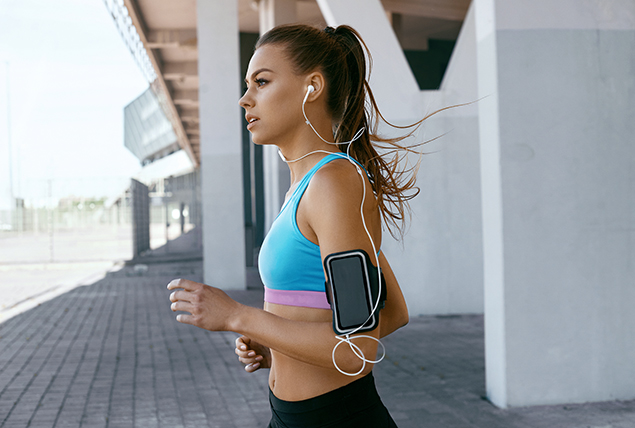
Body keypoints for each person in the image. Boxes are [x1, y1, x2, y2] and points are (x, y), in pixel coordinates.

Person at [168, 24, 430, 427]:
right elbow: (392, 312)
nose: (245, 99)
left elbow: (356, 349)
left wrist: (239, 316)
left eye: (262, 82)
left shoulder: (334, 183)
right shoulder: (307, 187)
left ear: (312, 87)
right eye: (248, 85)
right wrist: (275, 344)